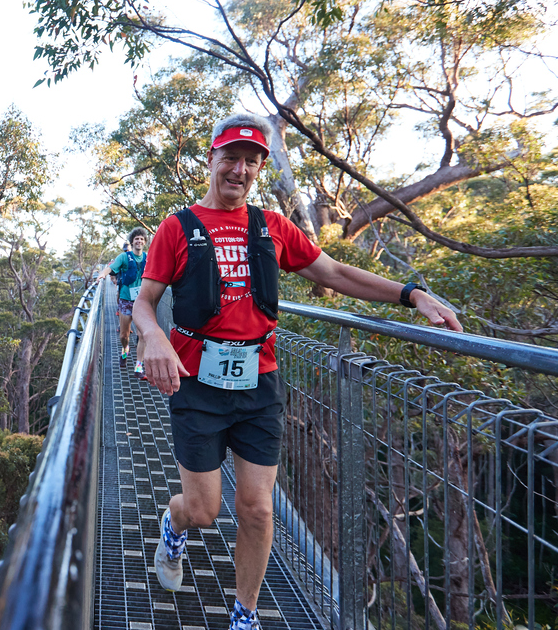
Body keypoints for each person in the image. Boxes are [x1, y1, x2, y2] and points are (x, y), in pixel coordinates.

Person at [133, 112, 461, 630]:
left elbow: (333, 272)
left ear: (260, 168)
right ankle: (174, 528)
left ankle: (244, 614)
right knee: (203, 510)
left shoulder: (272, 227)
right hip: (195, 382)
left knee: (258, 508)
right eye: (230, 158)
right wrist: (152, 334)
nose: (239, 170)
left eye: (250, 162)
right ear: (212, 159)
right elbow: (145, 301)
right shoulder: (178, 228)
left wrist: (410, 294)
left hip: (259, 383)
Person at [104, 228, 149, 377]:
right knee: (124, 335)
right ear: (132, 241)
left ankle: (138, 366)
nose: (139, 241)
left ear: (144, 242)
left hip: (141, 302)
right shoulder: (124, 257)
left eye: (142, 239)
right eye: (136, 239)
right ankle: (125, 351)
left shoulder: (148, 258)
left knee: (142, 336)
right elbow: (111, 268)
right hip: (126, 301)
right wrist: (101, 275)